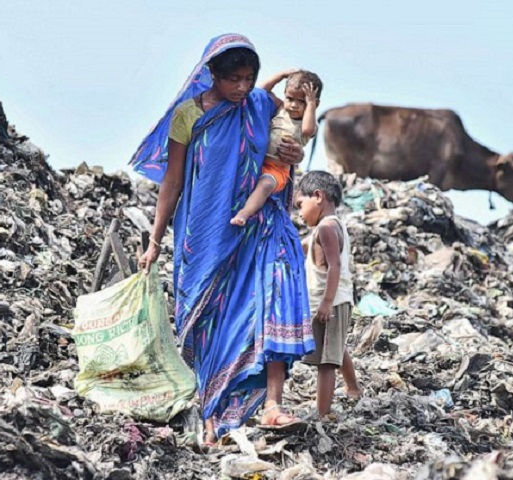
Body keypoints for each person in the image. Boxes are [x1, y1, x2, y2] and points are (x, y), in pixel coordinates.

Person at [130, 34, 315, 446]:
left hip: (253, 230)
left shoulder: (261, 107)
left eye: (250, 78)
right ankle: (212, 416)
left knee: (256, 313)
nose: (243, 88)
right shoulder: (188, 116)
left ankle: (270, 406)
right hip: (203, 234)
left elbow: (287, 146)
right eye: (234, 79)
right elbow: (173, 181)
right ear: (210, 73)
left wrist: (294, 156)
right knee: (208, 323)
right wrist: (155, 241)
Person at [294, 171, 361, 418]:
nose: (300, 214)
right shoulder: (328, 226)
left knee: (326, 363)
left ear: (318, 196)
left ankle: (322, 414)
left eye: (301, 205)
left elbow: (334, 265)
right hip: (332, 301)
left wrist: (326, 303)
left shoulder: (326, 228)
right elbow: (304, 245)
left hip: (330, 302)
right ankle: (353, 388)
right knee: (333, 349)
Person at [230, 69, 322, 226]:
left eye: (301, 102)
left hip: (277, 170)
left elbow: (307, 130)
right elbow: (261, 91)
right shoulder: (281, 109)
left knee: (265, 186)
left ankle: (244, 214)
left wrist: (311, 104)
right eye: (290, 98)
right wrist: (281, 76)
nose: (293, 105)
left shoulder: (309, 123)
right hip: (257, 162)